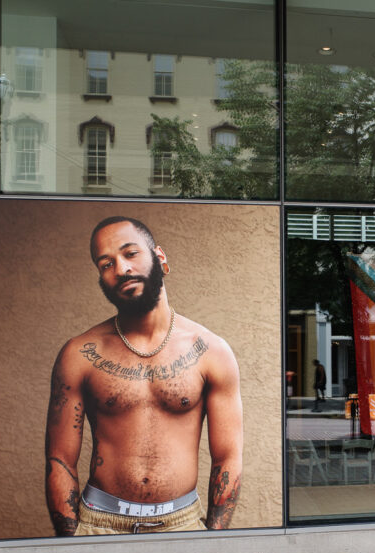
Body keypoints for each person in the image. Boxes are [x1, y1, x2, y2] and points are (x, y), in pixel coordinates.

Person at [44, 216, 243, 535]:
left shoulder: (210, 351)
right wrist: (72, 540)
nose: (120, 269)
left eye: (130, 253)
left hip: (183, 525)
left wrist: (214, 537)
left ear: (160, 258)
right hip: (99, 525)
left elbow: (227, 456)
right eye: (106, 263)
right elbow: (60, 460)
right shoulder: (80, 354)